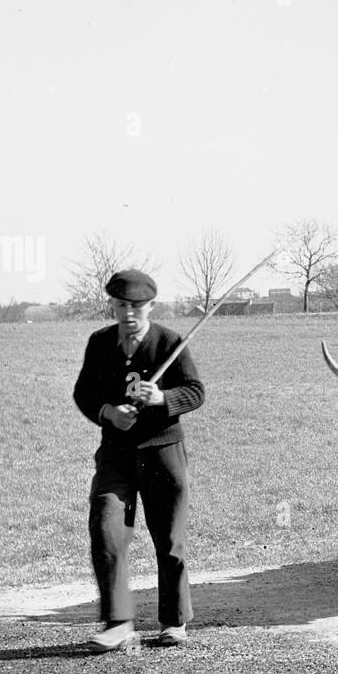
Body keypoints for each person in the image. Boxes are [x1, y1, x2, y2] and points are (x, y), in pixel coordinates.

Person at [73, 269, 205, 650]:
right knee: (105, 523)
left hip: (163, 452)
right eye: (120, 306)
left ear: (150, 306)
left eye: (136, 307)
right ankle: (118, 622)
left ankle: (173, 621)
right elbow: (83, 393)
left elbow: (195, 392)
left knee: (169, 539)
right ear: (112, 306)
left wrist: (163, 399)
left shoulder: (169, 342)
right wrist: (107, 413)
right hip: (116, 454)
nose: (128, 314)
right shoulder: (99, 343)